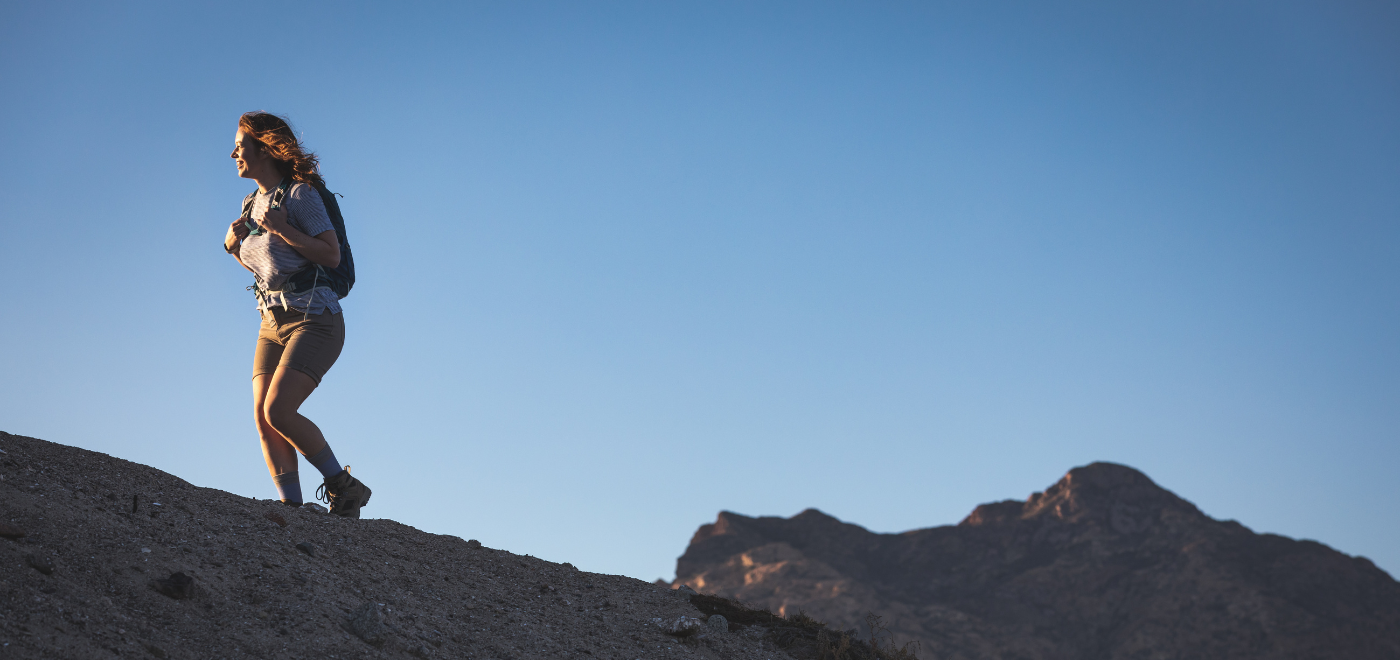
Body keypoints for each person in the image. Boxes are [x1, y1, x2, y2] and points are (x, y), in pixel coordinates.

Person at [222, 111, 371, 518]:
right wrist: (233, 247)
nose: (232, 151)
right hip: (271, 321)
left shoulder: (300, 195)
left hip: (315, 318)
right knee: (262, 416)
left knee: (278, 409)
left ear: (264, 147)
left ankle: (345, 486)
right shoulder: (250, 203)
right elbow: (264, 268)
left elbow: (329, 253)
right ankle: (291, 507)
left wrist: (284, 228)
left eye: (240, 143)